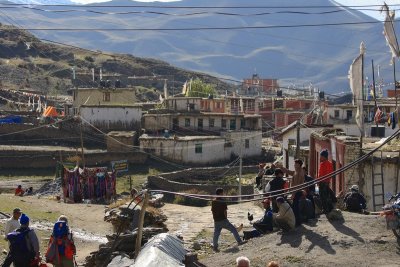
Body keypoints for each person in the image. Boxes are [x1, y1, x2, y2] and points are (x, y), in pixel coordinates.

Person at [211, 188, 246, 252]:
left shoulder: (213, 201)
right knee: (233, 229)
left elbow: (212, 211)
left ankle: (215, 247)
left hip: (216, 220)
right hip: (223, 220)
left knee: (216, 234)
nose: (223, 194)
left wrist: (215, 219)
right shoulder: (222, 201)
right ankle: (239, 241)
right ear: (220, 193)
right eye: (222, 193)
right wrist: (225, 218)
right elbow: (225, 211)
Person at [318, 149, 334, 214]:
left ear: (324, 157)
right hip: (324, 182)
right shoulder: (328, 164)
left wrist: (324, 182)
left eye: (321, 156)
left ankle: (326, 209)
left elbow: (327, 174)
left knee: (323, 197)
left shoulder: (326, 164)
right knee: (324, 196)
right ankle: (326, 209)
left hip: (323, 182)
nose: (320, 157)